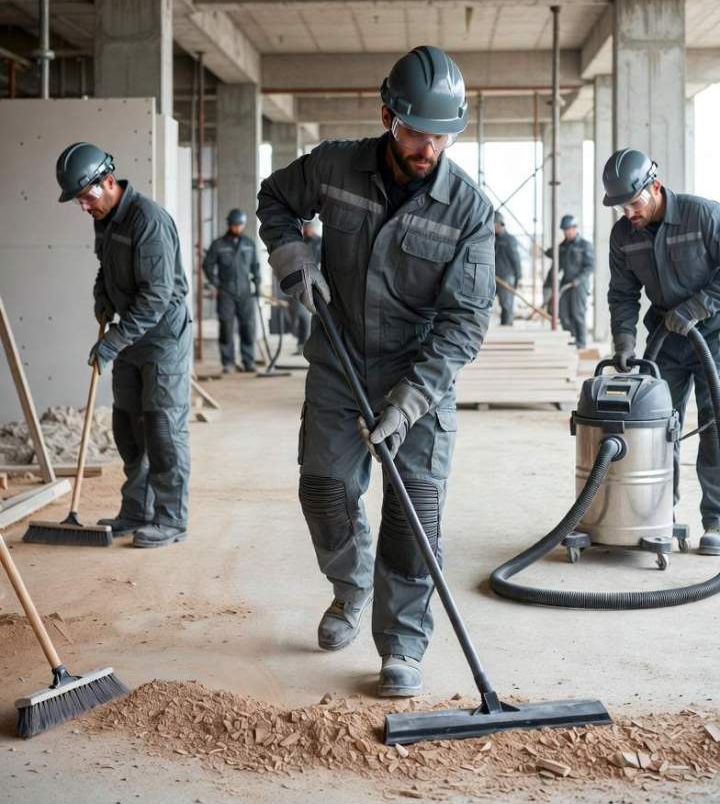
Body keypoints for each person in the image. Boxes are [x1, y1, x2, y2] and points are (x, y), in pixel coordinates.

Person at [257, 45, 495, 697]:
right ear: (387, 114)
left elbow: (465, 323)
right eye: (417, 131)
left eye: (443, 134)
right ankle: (349, 585)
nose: (428, 147)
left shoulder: (469, 212)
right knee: (326, 490)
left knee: (412, 514)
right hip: (340, 359)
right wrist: (293, 258)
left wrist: (411, 402)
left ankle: (402, 646)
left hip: (418, 375)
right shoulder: (336, 166)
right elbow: (275, 199)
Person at [55, 142, 191, 548]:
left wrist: (113, 341)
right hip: (130, 335)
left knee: (162, 430)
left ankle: (170, 519)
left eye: (86, 196)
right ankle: (136, 511)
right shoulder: (106, 218)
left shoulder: (148, 220)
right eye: (78, 199)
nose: (84, 206)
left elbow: (157, 296)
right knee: (128, 428)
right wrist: (102, 297)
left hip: (162, 338)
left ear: (108, 181)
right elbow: (106, 268)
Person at [603, 147, 720, 556]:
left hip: (715, 337)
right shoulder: (624, 235)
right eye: (621, 207)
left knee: (714, 424)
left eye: (634, 203)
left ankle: (716, 520)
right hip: (666, 340)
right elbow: (622, 294)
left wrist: (698, 306)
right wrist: (624, 341)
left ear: (654, 187)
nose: (629, 214)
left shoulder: (702, 215)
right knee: (655, 427)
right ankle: (658, 515)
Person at [203, 209, 260, 373]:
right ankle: (228, 362)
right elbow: (207, 265)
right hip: (226, 292)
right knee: (226, 327)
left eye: (239, 225)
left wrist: (257, 282)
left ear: (243, 225)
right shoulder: (218, 244)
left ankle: (248, 361)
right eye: (234, 225)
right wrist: (215, 282)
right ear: (229, 224)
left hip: (245, 292)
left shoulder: (249, 244)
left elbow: (255, 266)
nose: (237, 228)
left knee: (248, 327)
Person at [544, 214, 594, 348]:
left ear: (575, 228)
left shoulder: (585, 245)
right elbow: (553, 254)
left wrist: (578, 280)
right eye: (565, 230)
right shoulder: (563, 246)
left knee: (578, 313)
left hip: (579, 285)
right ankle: (573, 336)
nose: (567, 232)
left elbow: (590, 267)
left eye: (569, 229)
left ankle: (582, 342)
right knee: (563, 313)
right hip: (566, 284)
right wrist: (547, 251)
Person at [291, 220, 322, 354]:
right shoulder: (299, 242)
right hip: (299, 282)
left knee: (314, 316)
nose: (305, 230)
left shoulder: (320, 242)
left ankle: (312, 345)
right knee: (301, 315)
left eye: (307, 227)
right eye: (303, 227)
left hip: (317, 283)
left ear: (312, 227)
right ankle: (301, 344)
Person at [493, 211, 522, 325]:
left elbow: (516, 259)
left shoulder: (509, 240)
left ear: (500, 224)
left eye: (494, 225)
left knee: (506, 304)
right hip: (493, 277)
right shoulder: (492, 239)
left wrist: (518, 277)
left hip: (505, 278)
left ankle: (507, 327)